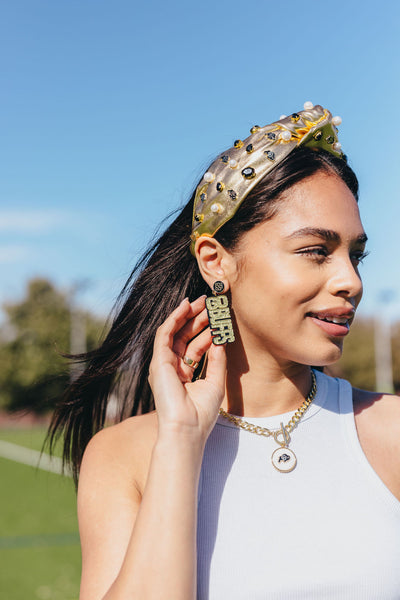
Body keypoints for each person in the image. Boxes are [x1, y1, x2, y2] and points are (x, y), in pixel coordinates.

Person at [49, 103, 400, 599]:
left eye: (355, 254)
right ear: (216, 262)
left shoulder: (391, 432)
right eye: (315, 251)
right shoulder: (123, 456)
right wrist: (181, 440)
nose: (351, 281)